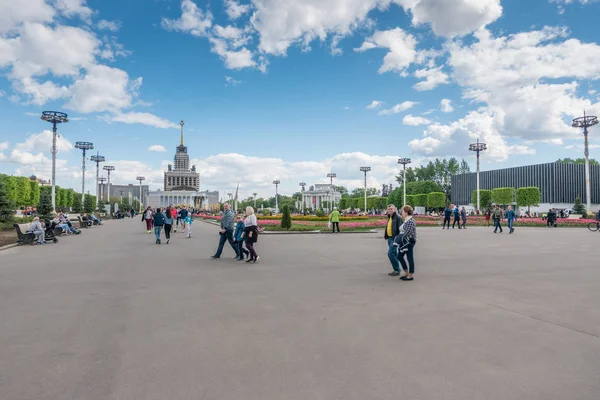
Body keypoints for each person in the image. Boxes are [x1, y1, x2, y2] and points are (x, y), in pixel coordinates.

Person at [396, 205, 417, 281]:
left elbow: (407, 233)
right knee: (400, 256)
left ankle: (410, 274)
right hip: (404, 241)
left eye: (402, 211)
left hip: (408, 241)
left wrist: (398, 239)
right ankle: (406, 272)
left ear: (406, 212)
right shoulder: (407, 220)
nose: (401, 213)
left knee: (409, 258)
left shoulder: (410, 221)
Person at [384, 204, 402, 276]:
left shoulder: (398, 217)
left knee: (390, 253)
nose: (390, 210)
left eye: (391, 209)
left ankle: (397, 269)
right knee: (394, 254)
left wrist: (398, 239)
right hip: (390, 238)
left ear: (394, 209)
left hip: (395, 238)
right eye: (389, 209)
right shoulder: (390, 217)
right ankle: (397, 269)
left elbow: (401, 229)